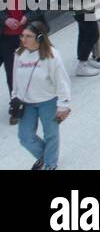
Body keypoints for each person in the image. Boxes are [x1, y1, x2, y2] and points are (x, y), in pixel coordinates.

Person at [11, 21, 71, 170]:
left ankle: (50, 164)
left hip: (48, 102)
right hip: (27, 103)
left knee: (51, 135)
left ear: (39, 38)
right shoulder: (19, 54)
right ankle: (45, 156)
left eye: (28, 36)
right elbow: (15, 78)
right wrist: (14, 96)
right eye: (22, 36)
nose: (23, 40)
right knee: (25, 137)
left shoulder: (51, 55)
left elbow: (62, 81)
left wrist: (63, 105)